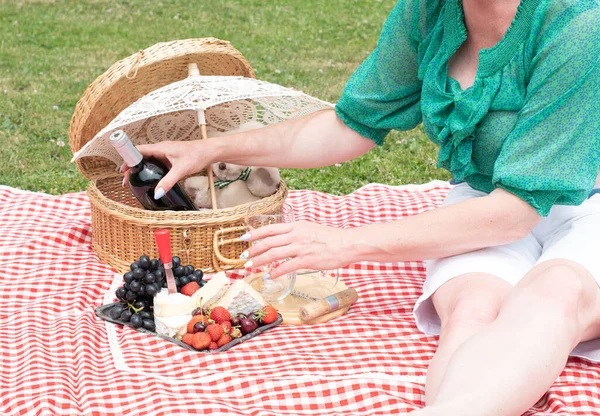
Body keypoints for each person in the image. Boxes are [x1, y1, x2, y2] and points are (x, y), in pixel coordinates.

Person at [125, 0, 600, 414]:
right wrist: (213, 150)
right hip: (482, 200)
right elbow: (348, 125)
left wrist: (345, 243)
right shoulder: (431, 11)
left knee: (553, 295)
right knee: (474, 310)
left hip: (582, 205)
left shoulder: (577, 24)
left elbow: (516, 211)